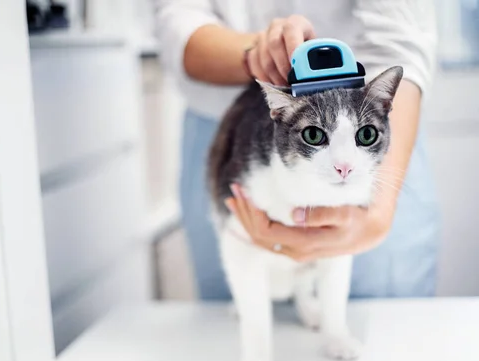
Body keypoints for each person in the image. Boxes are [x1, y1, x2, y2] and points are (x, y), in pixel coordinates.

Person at [153, 1, 441, 300]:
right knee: (231, 319)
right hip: (229, 126)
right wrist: (257, 55)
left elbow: (402, 40)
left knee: (384, 327)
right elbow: (177, 20)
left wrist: (376, 212)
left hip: (376, 136)